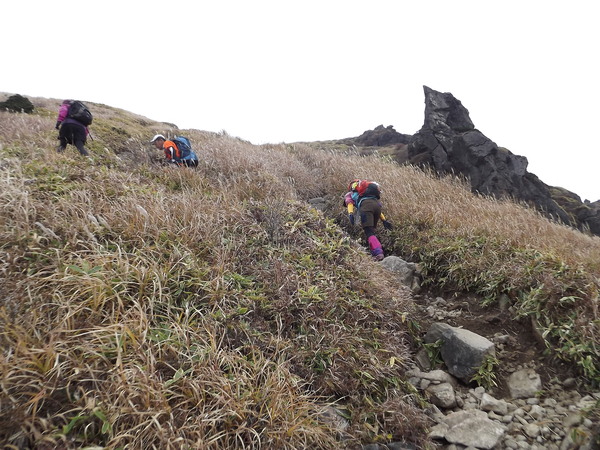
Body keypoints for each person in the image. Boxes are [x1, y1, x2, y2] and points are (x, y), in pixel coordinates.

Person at [344, 179, 393, 261]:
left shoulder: (350, 194)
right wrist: (384, 220)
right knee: (371, 231)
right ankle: (374, 251)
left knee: (369, 232)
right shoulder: (367, 194)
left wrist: (351, 214)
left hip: (366, 208)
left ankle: (378, 253)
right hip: (377, 207)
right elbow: (375, 206)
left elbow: (349, 203)